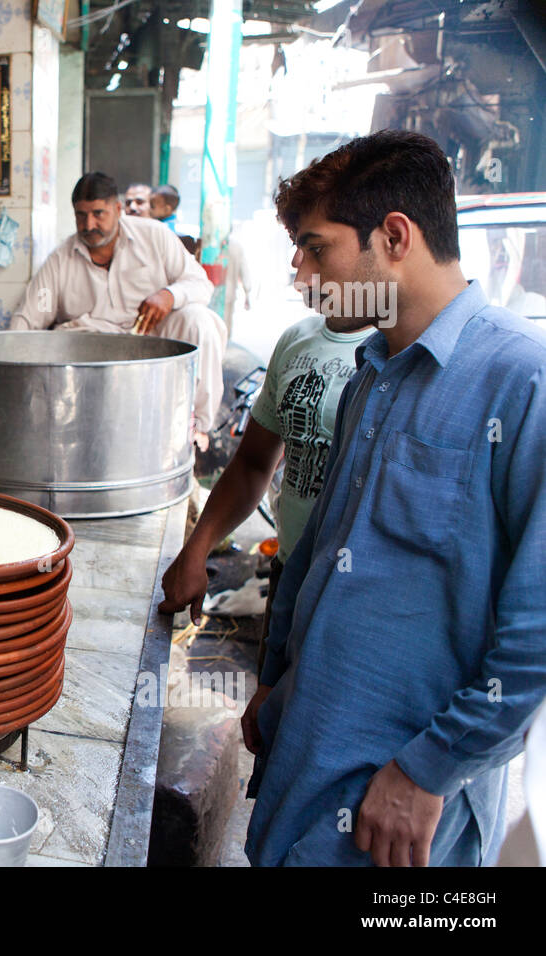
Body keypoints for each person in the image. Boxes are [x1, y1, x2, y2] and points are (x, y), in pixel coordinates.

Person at [243, 129, 546, 867]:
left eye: (317, 249)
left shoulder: (521, 382)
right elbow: (325, 556)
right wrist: (277, 682)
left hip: (395, 811)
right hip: (311, 756)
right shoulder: (371, 377)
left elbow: (536, 631)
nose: (300, 275)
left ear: (395, 237)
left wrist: (427, 769)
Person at [158, 310, 373, 657]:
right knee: (268, 701)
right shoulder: (296, 340)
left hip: (356, 596)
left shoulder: (401, 353)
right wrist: (195, 551)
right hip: (287, 576)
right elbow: (253, 463)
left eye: (316, 252)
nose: (300, 272)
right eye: (299, 252)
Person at [11, 172, 227, 444]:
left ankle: (196, 428)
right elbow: (27, 318)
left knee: (198, 319)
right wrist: (5, 360)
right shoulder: (61, 259)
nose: (89, 225)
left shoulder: (155, 236)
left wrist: (170, 295)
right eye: (81, 215)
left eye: (98, 214)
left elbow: (200, 283)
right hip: (93, 360)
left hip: (154, 345)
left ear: (118, 209)